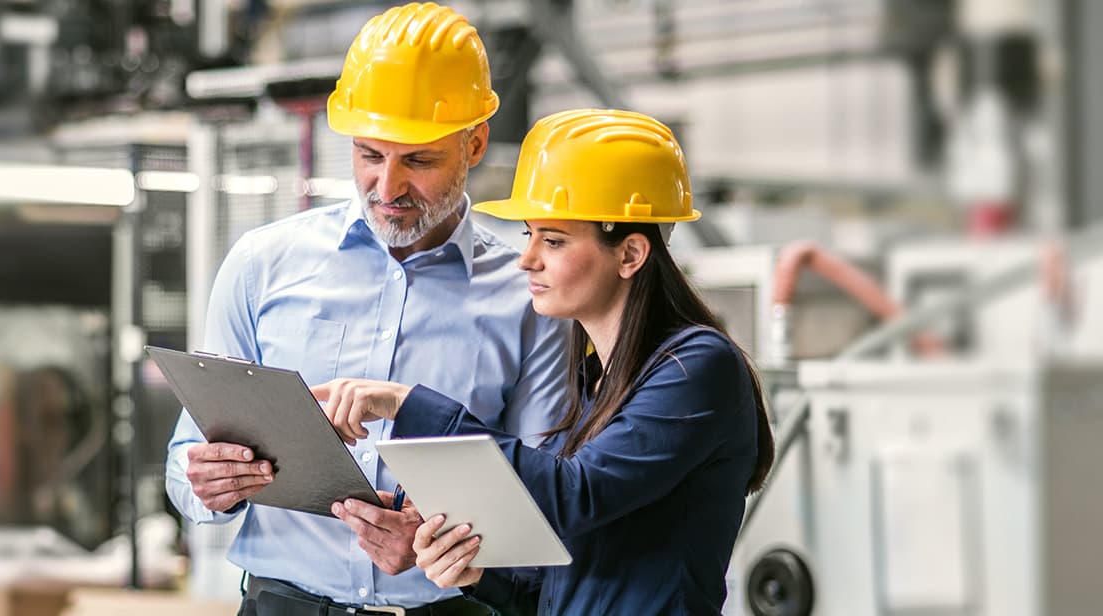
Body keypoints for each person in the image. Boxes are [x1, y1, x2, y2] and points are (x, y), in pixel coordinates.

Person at [164, 3, 570, 615]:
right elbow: (184, 463)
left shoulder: (529, 294)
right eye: (369, 155)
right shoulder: (262, 264)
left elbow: (544, 494)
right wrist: (208, 486)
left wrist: (444, 541)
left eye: (419, 160)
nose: (387, 188)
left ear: (475, 143)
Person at [315, 108, 776, 615]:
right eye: (528, 235)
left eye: (553, 240)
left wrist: (407, 404)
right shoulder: (597, 383)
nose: (527, 259)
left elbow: (574, 496)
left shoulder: (697, 368)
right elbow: (555, 591)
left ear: (630, 255)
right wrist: (477, 574)